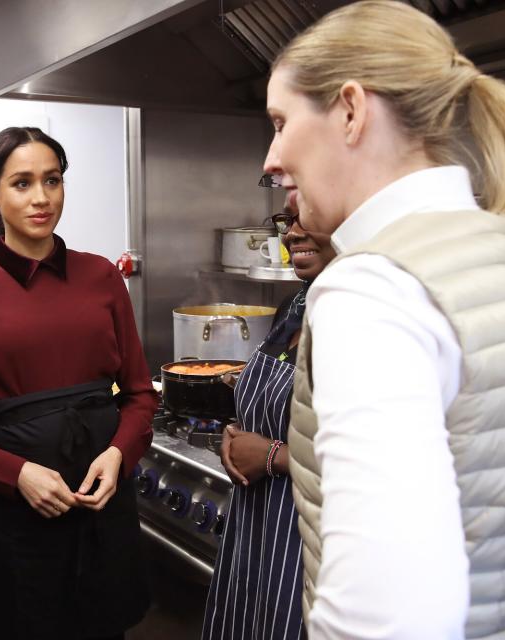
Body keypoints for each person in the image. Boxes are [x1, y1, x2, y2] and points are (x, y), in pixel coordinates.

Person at [263, 1, 505, 638]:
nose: (270, 158)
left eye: (280, 122)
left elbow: (389, 618)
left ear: (350, 110)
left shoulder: (372, 288)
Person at [0, 126, 158, 640]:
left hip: (104, 505)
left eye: (52, 180)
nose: (41, 197)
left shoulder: (102, 278)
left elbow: (138, 395)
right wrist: (17, 473)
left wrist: (118, 455)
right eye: (21, 183)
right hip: (19, 516)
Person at [202, 190, 334, 640]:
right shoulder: (293, 309)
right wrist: (235, 436)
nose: (293, 232)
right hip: (257, 527)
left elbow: (378, 458)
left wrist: (273, 455)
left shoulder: (358, 319)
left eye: (307, 218)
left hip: (313, 537)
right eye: (288, 220)